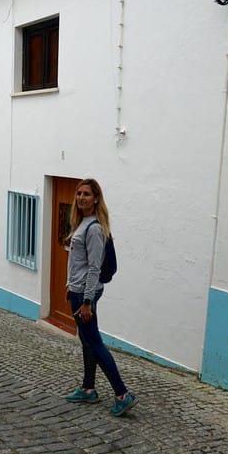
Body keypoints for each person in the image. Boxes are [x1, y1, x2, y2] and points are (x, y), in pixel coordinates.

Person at [63, 178, 139, 416]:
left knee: (94, 342)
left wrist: (86, 302)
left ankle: (122, 394)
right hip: (77, 290)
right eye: (79, 194)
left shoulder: (95, 228)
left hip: (85, 294)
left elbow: (94, 268)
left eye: (86, 194)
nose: (81, 198)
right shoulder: (82, 223)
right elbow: (78, 263)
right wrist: (69, 285)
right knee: (87, 341)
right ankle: (88, 388)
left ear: (96, 198)